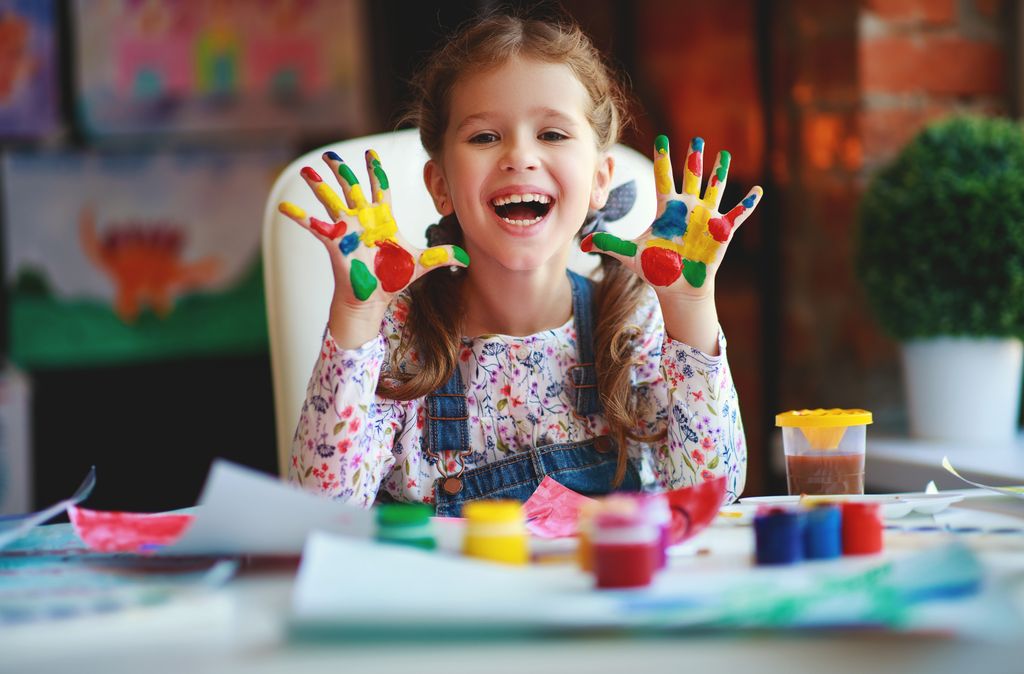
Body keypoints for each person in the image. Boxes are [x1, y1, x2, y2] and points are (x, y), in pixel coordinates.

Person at [277, 12, 762, 516]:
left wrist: (690, 306)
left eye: (552, 134)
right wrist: (356, 317)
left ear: (600, 179)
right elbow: (322, 511)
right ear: (440, 185)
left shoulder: (629, 324)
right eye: (485, 137)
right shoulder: (401, 335)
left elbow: (709, 494)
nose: (520, 156)